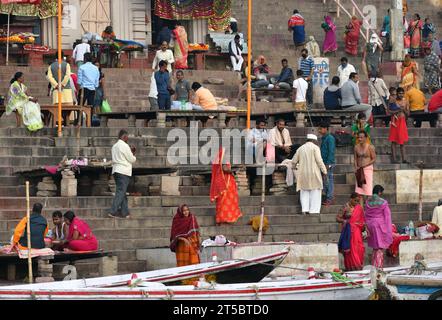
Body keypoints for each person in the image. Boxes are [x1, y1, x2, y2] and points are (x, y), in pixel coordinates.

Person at [291, 134, 327, 215]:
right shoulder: (315, 148)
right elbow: (319, 161)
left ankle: (304, 209)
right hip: (314, 173)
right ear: (314, 141)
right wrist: (324, 171)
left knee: (304, 191)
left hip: (303, 174)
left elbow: (293, 161)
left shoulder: (300, 148)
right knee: (315, 191)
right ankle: (313, 211)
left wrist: (293, 167)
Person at [210, 148, 242, 224]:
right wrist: (233, 171)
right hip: (225, 183)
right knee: (224, 200)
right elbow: (225, 169)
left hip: (227, 182)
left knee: (227, 200)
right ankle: (224, 218)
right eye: (226, 153)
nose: (228, 155)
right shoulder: (223, 160)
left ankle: (224, 218)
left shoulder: (222, 160)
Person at [109, 129, 137, 219]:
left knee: (122, 192)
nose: (127, 139)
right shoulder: (124, 146)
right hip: (123, 171)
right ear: (124, 137)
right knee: (121, 192)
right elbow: (131, 159)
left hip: (116, 171)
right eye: (127, 137)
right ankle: (112, 211)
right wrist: (133, 153)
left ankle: (125, 213)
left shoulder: (114, 146)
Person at [364, 185, 393, 269]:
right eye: (381, 193)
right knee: (379, 247)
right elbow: (387, 216)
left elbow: (366, 214)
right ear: (379, 192)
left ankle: (374, 265)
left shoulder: (368, 201)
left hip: (370, 225)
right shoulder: (383, 202)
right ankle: (378, 266)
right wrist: (388, 230)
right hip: (379, 225)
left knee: (375, 247)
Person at [336, 193, 365, 271]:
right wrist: (345, 221)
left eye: (358, 201)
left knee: (360, 249)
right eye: (355, 200)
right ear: (351, 199)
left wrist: (363, 227)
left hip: (357, 232)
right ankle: (351, 267)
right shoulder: (345, 207)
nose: (356, 203)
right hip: (348, 232)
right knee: (350, 250)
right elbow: (338, 218)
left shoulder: (359, 208)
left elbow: (362, 220)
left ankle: (358, 266)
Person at [389, 87, 409, 163]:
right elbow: (389, 112)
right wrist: (398, 110)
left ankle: (404, 159)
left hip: (402, 122)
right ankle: (394, 159)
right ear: (397, 93)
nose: (401, 95)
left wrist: (403, 110)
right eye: (399, 93)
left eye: (402, 93)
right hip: (395, 122)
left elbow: (408, 114)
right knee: (393, 141)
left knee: (402, 141)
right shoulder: (392, 100)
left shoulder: (405, 101)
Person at [354, 131, 376, 196]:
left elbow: (374, 158)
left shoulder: (370, 147)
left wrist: (366, 165)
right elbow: (355, 158)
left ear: (366, 138)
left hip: (368, 169)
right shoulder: (356, 147)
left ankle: (367, 206)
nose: (360, 139)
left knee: (368, 191)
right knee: (359, 193)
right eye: (359, 137)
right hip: (359, 169)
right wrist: (355, 167)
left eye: (361, 137)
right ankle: (361, 206)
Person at [319, 123, 336, 206]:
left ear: (326, 128)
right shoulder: (324, 138)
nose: (319, 130)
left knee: (329, 181)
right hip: (323, 163)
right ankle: (327, 197)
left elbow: (331, 152)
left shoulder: (330, 138)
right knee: (325, 181)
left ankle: (330, 198)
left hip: (328, 163)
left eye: (321, 128)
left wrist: (328, 163)